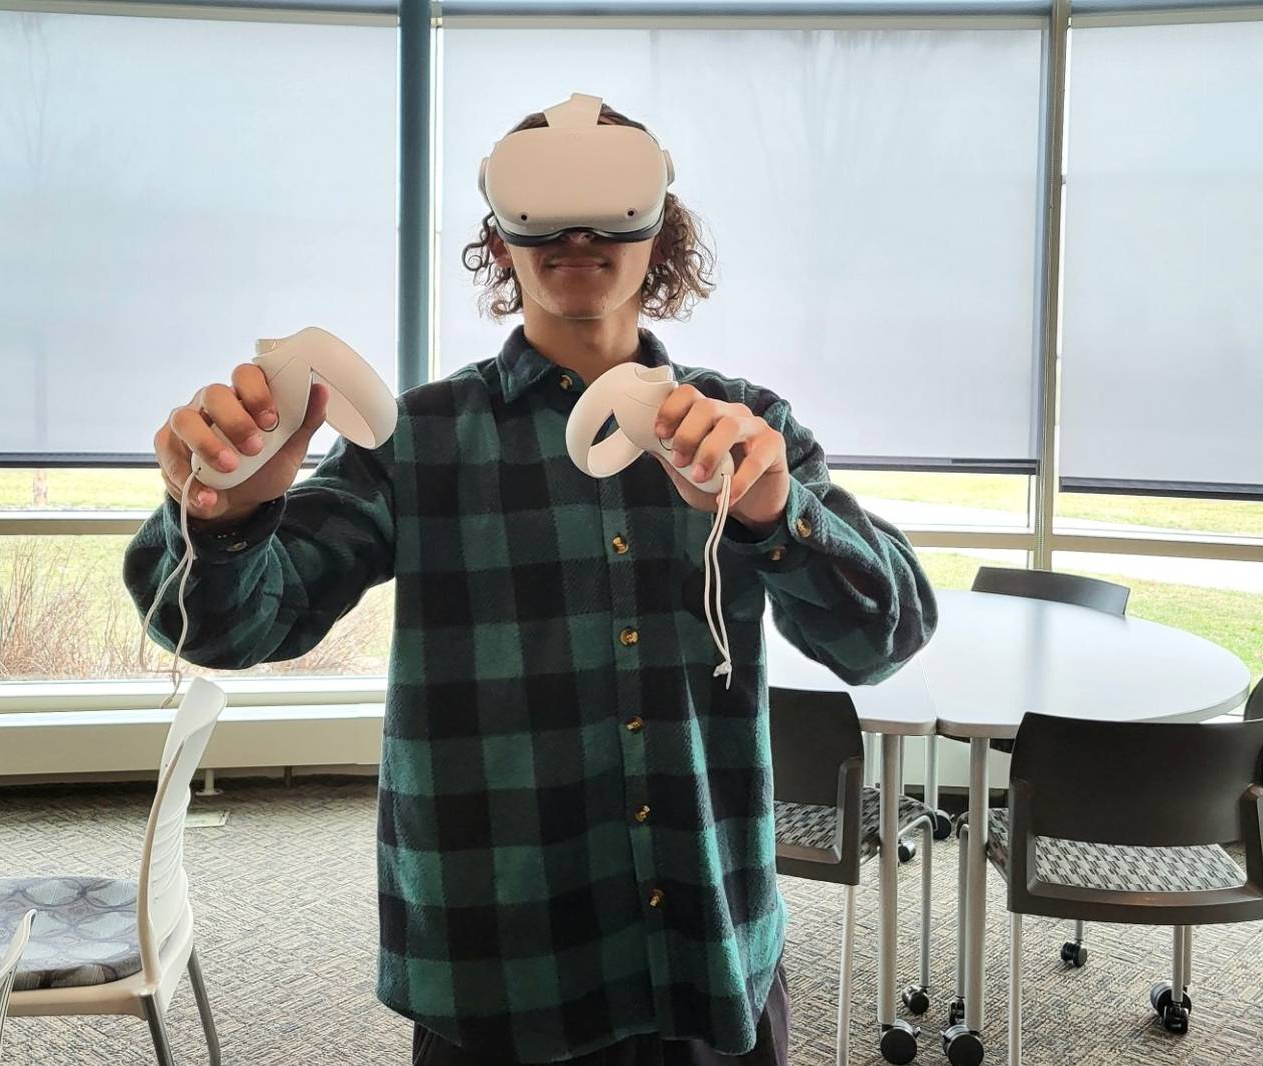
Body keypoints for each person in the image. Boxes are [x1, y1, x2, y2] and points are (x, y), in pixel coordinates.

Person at [124, 99, 937, 1066]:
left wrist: (772, 513)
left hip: (709, 952)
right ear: (500, 240)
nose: (579, 236)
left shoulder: (746, 429)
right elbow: (229, 626)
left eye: (610, 209)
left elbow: (886, 635)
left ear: (659, 231)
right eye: (545, 211)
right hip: (503, 961)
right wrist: (225, 518)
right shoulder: (418, 441)